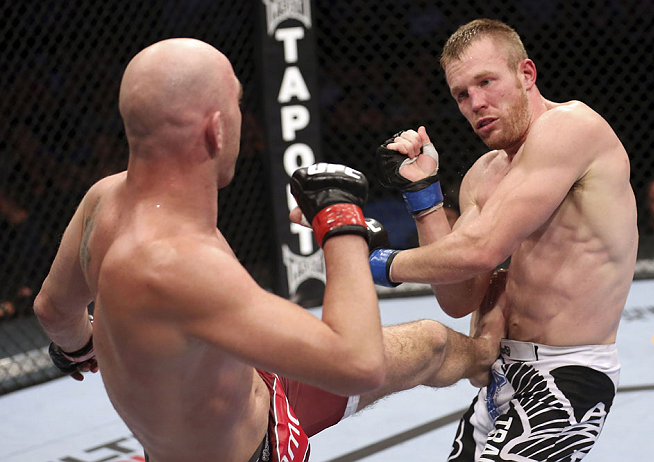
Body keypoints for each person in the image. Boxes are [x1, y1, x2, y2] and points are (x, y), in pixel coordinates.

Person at [33, 38, 504, 462]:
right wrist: (341, 225)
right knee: (410, 348)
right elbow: (356, 364)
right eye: (238, 103)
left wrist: (82, 345)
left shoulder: (105, 199)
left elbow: (54, 309)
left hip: (248, 385)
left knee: (431, 341)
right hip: (259, 450)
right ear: (216, 130)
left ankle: (495, 362)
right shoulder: (180, 265)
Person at [370, 19, 638, 461]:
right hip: (500, 376)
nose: (476, 103)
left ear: (526, 74)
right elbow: (459, 296)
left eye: (486, 82)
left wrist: (377, 263)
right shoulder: (485, 173)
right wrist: (424, 194)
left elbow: (481, 249)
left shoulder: (571, 126)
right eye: (461, 94)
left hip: (567, 374)